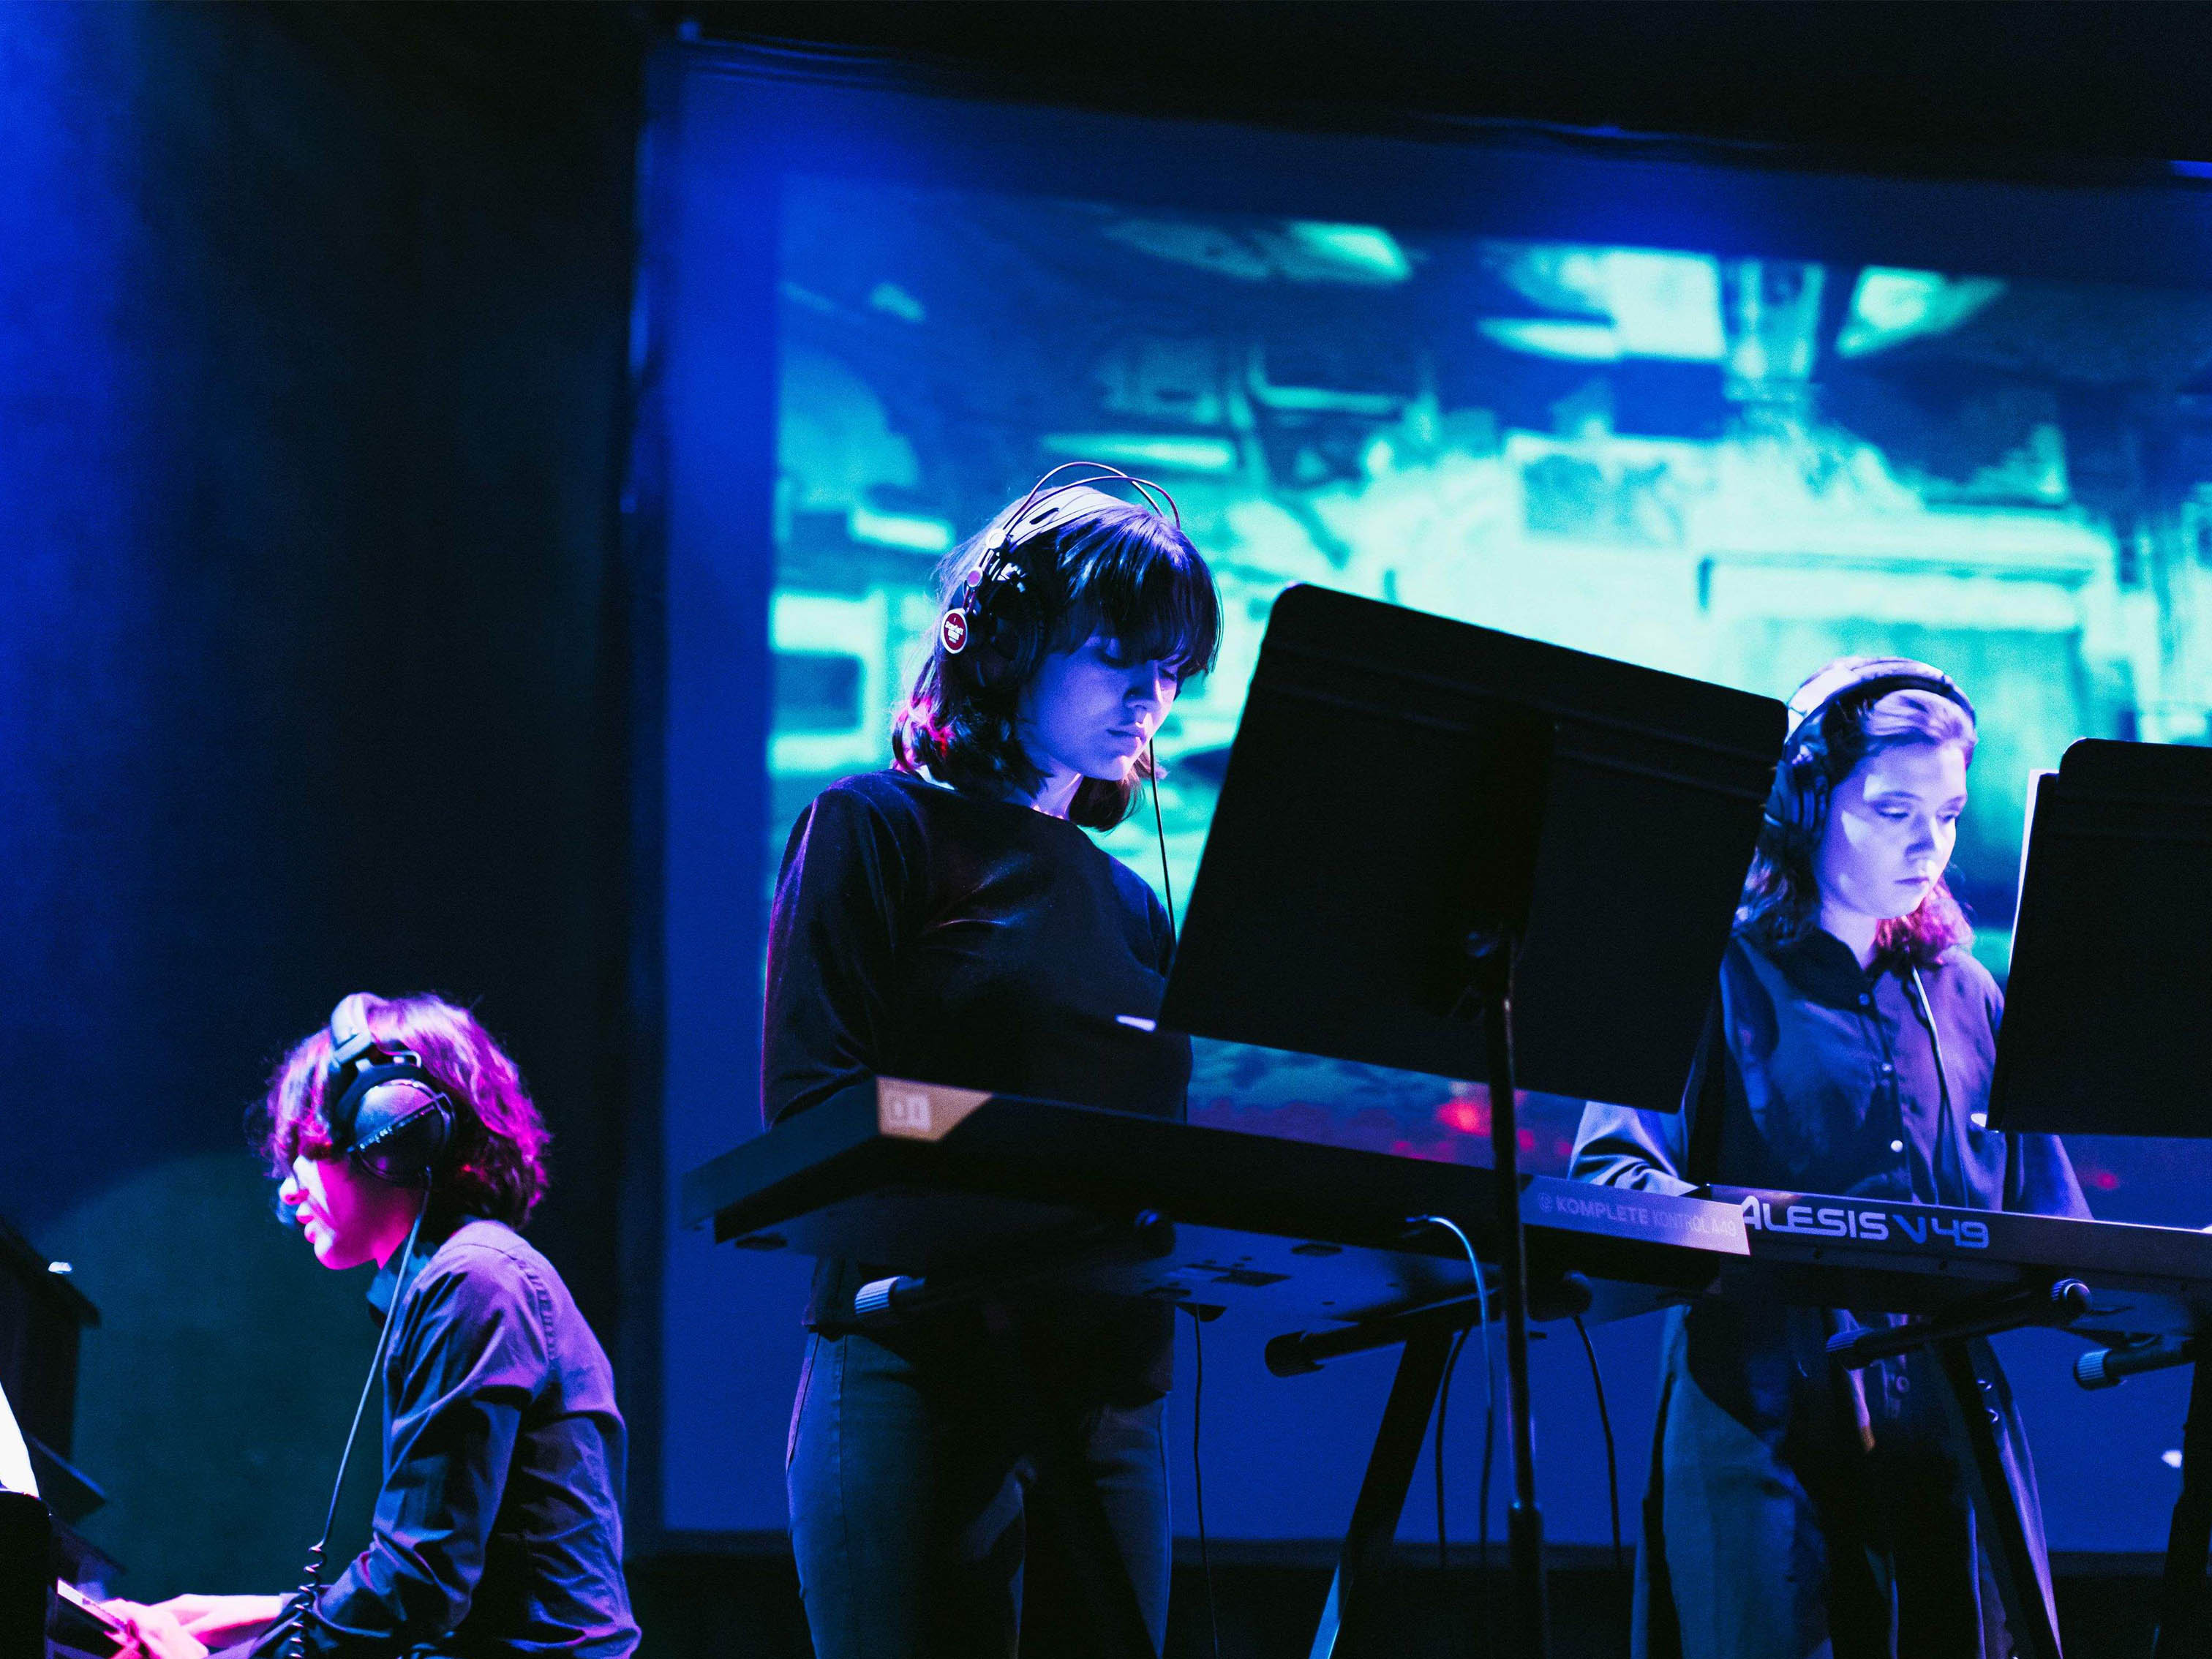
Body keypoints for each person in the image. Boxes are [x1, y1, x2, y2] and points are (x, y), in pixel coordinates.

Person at [767, 466, 1220, 1658]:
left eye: (1171, 667)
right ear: (1007, 640)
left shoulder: (1135, 909)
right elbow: (814, 1110)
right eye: (1122, 647)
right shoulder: (872, 829)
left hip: (1108, 1396)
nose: (1149, 693)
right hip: (917, 1371)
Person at [1571, 658, 2088, 1659]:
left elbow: (2051, 1223)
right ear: (1805, 802)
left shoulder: (1970, 993)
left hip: (1950, 1436)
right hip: (1762, 1421)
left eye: (1945, 816)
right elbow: (1615, 1175)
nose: (1928, 845)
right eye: (1893, 809)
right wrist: (1750, 1228)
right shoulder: (1712, 969)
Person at [103, 993, 638, 1659]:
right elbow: (444, 1584)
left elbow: (419, 1585)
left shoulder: (476, 1283)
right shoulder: (459, 1280)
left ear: (397, 1131)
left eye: (309, 1147)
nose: (288, 1186)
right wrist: (271, 1618)